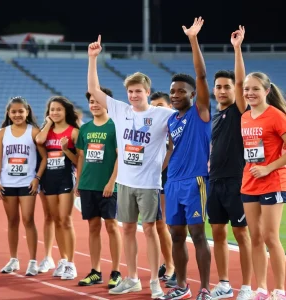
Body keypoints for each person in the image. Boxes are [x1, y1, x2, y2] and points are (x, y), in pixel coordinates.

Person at [88, 35, 174, 299]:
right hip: (125, 182)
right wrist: (93, 59)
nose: (134, 95)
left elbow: (178, 138)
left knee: (149, 230)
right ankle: (132, 277)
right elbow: (94, 90)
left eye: (139, 91)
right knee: (127, 229)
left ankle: (155, 283)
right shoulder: (120, 110)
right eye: (131, 91)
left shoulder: (162, 115)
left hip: (148, 184)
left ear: (148, 92)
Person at [160, 17, 212, 300]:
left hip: (194, 182)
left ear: (193, 93)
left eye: (181, 91)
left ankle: (205, 288)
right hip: (173, 182)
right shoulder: (171, 120)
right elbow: (169, 150)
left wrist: (193, 39)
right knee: (176, 236)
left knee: (198, 234)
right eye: (172, 91)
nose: (175, 94)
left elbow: (202, 76)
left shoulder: (200, 112)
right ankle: (182, 285)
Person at [234, 28, 286, 300]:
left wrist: (269, 167)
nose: (249, 93)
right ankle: (261, 288)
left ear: (267, 90)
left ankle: (280, 289)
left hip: (272, 180)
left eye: (255, 89)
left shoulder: (276, 116)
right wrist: (237, 49)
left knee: (270, 236)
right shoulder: (245, 115)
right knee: (254, 237)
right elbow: (239, 78)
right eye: (246, 90)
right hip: (249, 182)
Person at [208, 26, 253, 300]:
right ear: (214, 91)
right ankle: (224, 284)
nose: (223, 90)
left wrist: (237, 48)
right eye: (219, 86)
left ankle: (246, 286)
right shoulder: (215, 116)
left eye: (227, 86)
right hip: (215, 183)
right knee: (218, 234)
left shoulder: (239, 112)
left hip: (238, 181)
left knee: (242, 234)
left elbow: (240, 83)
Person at [0, 96, 47, 276]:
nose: (17, 115)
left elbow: (44, 157)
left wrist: (37, 178)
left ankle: (32, 261)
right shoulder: (3, 132)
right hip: (7, 183)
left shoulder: (33, 131)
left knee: (28, 219)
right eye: (13, 112)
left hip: (27, 183)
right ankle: (13, 259)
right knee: (12, 221)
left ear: (27, 112)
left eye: (20, 111)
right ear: (8, 113)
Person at [76, 87, 122, 289]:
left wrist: (112, 181)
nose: (94, 105)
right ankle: (95, 271)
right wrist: (79, 181)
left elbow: (120, 157)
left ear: (106, 103)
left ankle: (116, 271)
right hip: (88, 185)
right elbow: (81, 157)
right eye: (91, 102)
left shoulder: (115, 127)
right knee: (93, 227)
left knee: (112, 226)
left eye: (97, 101)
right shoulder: (85, 129)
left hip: (109, 187)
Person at [36, 96, 79, 280]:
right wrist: (47, 124)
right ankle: (62, 259)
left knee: (65, 220)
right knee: (56, 220)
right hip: (49, 180)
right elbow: (39, 140)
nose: (55, 112)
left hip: (66, 180)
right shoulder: (47, 131)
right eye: (52, 109)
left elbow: (79, 161)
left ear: (66, 111)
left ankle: (71, 264)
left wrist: (66, 149)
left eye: (58, 109)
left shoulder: (74, 132)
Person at [150, 92, 175, 283]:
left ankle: (172, 265)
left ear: (169, 106)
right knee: (160, 224)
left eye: (160, 105)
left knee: (165, 223)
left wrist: (159, 170)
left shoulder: (175, 123)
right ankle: (169, 262)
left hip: (170, 176)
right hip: (155, 177)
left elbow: (171, 149)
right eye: (153, 106)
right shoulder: (153, 124)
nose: (155, 109)